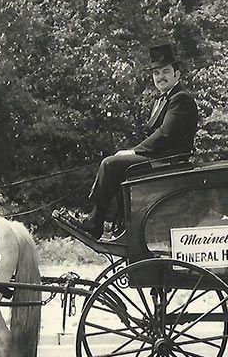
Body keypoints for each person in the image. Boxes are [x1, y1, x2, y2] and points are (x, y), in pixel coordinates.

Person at [75, 43, 199, 238]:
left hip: (170, 162)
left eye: (166, 71)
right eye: (156, 73)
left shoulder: (180, 98)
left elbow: (165, 135)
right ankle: (120, 225)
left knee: (111, 164)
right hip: (159, 159)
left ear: (177, 74)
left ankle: (95, 222)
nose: (161, 77)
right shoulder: (162, 100)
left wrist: (134, 152)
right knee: (120, 168)